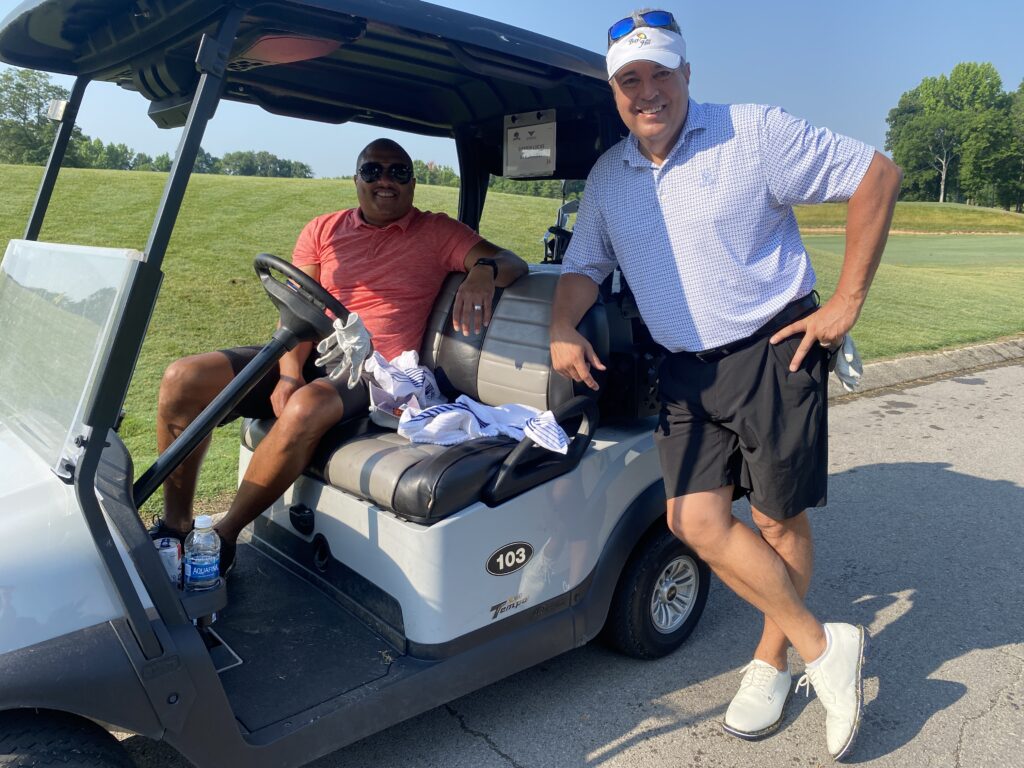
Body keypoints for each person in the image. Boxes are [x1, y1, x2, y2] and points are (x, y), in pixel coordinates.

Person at [549, 10, 901, 760]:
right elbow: (583, 266)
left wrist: (845, 304)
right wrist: (560, 327)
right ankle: (824, 645)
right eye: (629, 80)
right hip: (683, 368)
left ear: (686, 74)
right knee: (695, 521)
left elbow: (878, 174)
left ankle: (772, 661)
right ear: (615, 90)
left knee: (776, 522)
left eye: (659, 74)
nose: (647, 92)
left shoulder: (754, 133)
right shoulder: (610, 176)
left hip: (773, 351)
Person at [151, 138, 528, 575]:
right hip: (311, 352)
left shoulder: (438, 231)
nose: (385, 180)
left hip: (371, 371)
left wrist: (483, 271)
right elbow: (296, 310)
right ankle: (177, 525)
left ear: (412, 183)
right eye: (373, 171)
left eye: (398, 172)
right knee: (183, 378)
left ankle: (223, 538)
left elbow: (510, 259)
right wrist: (289, 374)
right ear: (356, 179)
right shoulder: (322, 230)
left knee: (306, 407)